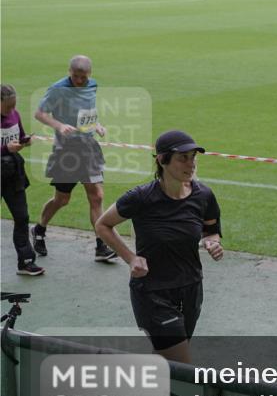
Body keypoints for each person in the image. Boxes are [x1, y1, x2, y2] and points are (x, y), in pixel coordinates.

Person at [95, 130, 223, 363]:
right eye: (183, 158)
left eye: (193, 157)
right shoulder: (141, 197)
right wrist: (131, 258)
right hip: (153, 293)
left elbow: (211, 230)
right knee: (181, 362)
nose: (191, 163)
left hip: (191, 287)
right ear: (162, 160)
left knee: (169, 359)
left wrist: (213, 243)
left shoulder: (203, 195)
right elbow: (102, 224)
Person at [32, 55, 116, 262]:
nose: (79, 80)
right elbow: (40, 114)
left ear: (90, 74)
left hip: (88, 147)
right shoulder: (58, 89)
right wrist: (59, 126)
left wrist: (96, 125)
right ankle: (39, 229)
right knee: (62, 199)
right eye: (75, 76)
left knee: (96, 195)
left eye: (83, 77)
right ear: (69, 72)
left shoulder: (93, 85)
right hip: (66, 150)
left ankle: (101, 245)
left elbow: (87, 111)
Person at [1, 84, 44, 276]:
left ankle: (26, 260)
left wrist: (25, 140)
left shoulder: (14, 115)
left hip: (13, 173)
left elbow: (19, 136)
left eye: (13, 106)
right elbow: (7, 146)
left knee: (22, 217)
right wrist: (5, 150)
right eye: (8, 106)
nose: (11, 110)